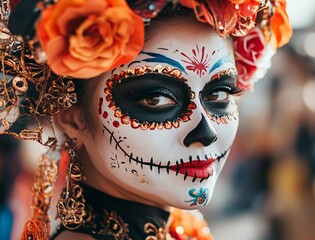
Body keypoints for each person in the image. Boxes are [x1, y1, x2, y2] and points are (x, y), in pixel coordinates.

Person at [0, 0, 292, 239]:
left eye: (219, 95)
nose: (207, 131)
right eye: (156, 99)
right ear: (71, 118)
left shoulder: (179, 223)